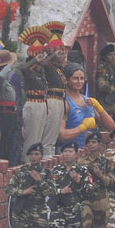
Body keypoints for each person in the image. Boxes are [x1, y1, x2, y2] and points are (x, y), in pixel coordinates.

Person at [45, 141, 91, 228]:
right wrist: (60, 191)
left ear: (76, 154)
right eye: (65, 151)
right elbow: (48, 190)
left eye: (70, 151)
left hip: (74, 209)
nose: (67, 154)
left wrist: (78, 180)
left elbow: (89, 191)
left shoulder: (83, 170)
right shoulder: (56, 170)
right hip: (58, 209)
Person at [77, 131, 114, 228]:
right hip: (86, 199)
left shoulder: (105, 162)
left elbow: (111, 182)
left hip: (100, 199)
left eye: (94, 142)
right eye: (89, 142)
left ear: (99, 144)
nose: (91, 145)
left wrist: (101, 176)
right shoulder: (81, 161)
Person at [57, 63, 115, 151]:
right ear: (67, 80)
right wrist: (82, 127)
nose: (79, 82)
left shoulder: (88, 101)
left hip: (89, 153)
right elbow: (61, 136)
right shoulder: (64, 103)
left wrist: (99, 108)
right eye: (75, 78)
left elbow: (111, 127)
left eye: (81, 78)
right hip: (70, 153)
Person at [15, 27, 50, 162]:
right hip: (32, 103)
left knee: (38, 136)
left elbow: (49, 64)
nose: (43, 59)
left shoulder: (40, 71)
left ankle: (35, 162)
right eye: (40, 55)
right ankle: (26, 162)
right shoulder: (29, 70)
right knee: (31, 136)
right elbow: (21, 68)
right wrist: (35, 60)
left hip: (42, 104)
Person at [41, 23, 68, 157]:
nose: (63, 55)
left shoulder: (59, 68)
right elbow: (44, 63)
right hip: (51, 100)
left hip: (59, 100)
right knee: (48, 137)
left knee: (53, 136)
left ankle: (50, 158)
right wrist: (52, 55)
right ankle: (47, 159)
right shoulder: (48, 67)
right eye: (60, 53)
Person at [0, 49, 20, 164]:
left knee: (10, 141)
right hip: (4, 114)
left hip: (11, 113)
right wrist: (9, 66)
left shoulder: (7, 79)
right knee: (3, 141)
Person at [95, 43, 115, 125]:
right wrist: (114, 88)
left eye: (114, 54)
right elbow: (101, 86)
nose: (113, 57)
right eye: (110, 55)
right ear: (104, 57)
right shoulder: (102, 69)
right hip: (107, 104)